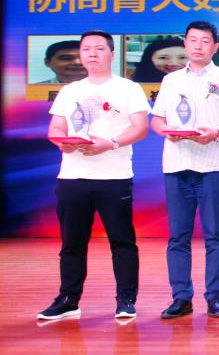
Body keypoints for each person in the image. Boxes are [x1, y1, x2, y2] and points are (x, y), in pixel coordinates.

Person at [38, 30, 150, 321]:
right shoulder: (69, 91)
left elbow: (140, 128)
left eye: (99, 48)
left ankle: (125, 300)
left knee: (122, 241)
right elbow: (55, 129)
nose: (92, 54)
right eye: (86, 48)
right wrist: (63, 142)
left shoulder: (128, 88)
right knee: (72, 244)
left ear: (112, 54)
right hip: (72, 177)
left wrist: (109, 144)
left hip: (114, 177)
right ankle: (68, 300)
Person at [150, 21, 219, 319]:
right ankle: (181, 297)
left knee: (215, 235)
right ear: (185, 44)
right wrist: (166, 131)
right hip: (177, 164)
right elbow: (157, 120)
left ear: (215, 46)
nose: (198, 46)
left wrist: (216, 133)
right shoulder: (171, 80)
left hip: (212, 165)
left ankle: (215, 297)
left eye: (204, 41)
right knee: (178, 236)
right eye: (193, 40)